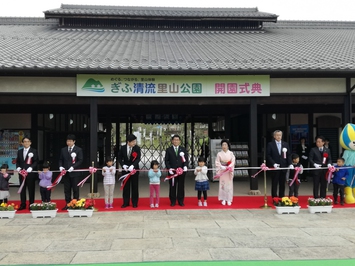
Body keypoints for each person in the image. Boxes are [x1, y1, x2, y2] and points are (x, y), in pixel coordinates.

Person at [59, 134, 84, 210]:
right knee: (67, 189)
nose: (69, 142)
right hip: (66, 173)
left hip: (75, 173)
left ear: (74, 141)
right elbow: (60, 159)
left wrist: (73, 167)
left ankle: (75, 204)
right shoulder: (63, 150)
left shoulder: (78, 150)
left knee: (75, 189)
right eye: (67, 141)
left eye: (70, 141)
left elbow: (80, 160)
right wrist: (60, 166)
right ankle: (68, 204)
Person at [117, 134, 141, 208]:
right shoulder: (123, 148)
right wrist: (123, 165)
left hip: (134, 170)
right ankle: (125, 202)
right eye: (133, 141)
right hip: (126, 170)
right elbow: (119, 158)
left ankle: (134, 202)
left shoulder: (137, 148)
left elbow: (138, 158)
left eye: (135, 141)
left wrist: (133, 165)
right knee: (126, 187)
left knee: (135, 186)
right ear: (128, 142)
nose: (134, 143)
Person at [266, 130, 292, 199]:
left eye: (280, 135)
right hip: (275, 167)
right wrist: (273, 163)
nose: (279, 137)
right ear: (274, 136)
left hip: (283, 166)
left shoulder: (285, 144)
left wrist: (290, 164)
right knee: (274, 183)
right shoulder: (270, 144)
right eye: (277, 135)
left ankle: (282, 197)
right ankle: (274, 197)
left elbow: (289, 155)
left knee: (282, 183)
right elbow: (268, 155)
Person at [164, 134, 188, 207]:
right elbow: (166, 160)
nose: (176, 141)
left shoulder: (183, 149)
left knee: (181, 186)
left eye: (177, 140)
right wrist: (169, 168)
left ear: (179, 141)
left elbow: (186, 159)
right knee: (172, 186)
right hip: (172, 172)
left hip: (181, 172)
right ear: (172, 141)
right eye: (174, 140)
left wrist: (185, 166)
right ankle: (173, 201)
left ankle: (180, 200)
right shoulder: (169, 150)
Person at [16, 136, 38, 210]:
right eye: (24, 141)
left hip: (30, 174)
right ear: (22, 143)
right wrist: (18, 167)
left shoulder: (34, 151)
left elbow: (36, 161)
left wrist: (31, 167)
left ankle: (31, 204)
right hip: (22, 174)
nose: (26, 143)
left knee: (31, 189)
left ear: (30, 142)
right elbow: (18, 161)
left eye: (28, 141)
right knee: (22, 189)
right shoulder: (19, 151)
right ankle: (23, 204)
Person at [215, 139, 235, 206]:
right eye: (223, 145)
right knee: (222, 185)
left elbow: (233, 162)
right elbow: (217, 162)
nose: (224, 146)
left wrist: (229, 166)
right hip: (222, 171)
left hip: (228, 171)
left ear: (228, 146)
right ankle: (223, 199)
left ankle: (229, 199)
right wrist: (221, 166)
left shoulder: (231, 154)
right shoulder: (219, 154)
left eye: (225, 145)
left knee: (229, 185)